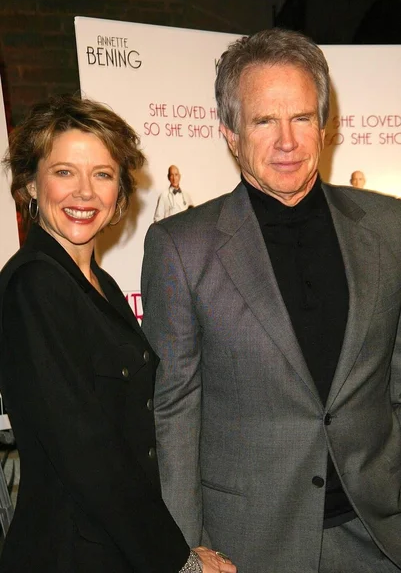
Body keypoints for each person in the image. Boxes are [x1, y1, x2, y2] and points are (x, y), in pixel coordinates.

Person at [141, 29, 401, 572]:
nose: (287, 140)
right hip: (249, 546)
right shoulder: (182, 247)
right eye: (264, 121)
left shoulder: (389, 227)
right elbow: (175, 410)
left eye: (302, 118)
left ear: (324, 127)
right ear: (230, 134)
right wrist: (183, 551)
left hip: (376, 535)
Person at [0, 95, 236, 573]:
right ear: (30, 184)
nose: (84, 192)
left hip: (113, 547)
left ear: (119, 193)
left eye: (102, 174)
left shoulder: (98, 283)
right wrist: (179, 562)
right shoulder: (35, 285)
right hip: (71, 552)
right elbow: (86, 452)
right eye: (64, 172)